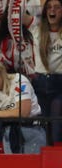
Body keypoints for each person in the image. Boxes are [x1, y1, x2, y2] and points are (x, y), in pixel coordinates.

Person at [0, 60, 46, 154]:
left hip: (31, 131)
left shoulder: (19, 82)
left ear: (2, 74)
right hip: (8, 133)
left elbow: (23, 112)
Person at [32, 0, 62, 143]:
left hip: (59, 84)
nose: (53, 10)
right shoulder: (36, 31)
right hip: (39, 82)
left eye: (57, 7)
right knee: (42, 129)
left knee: (56, 127)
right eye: (49, 7)